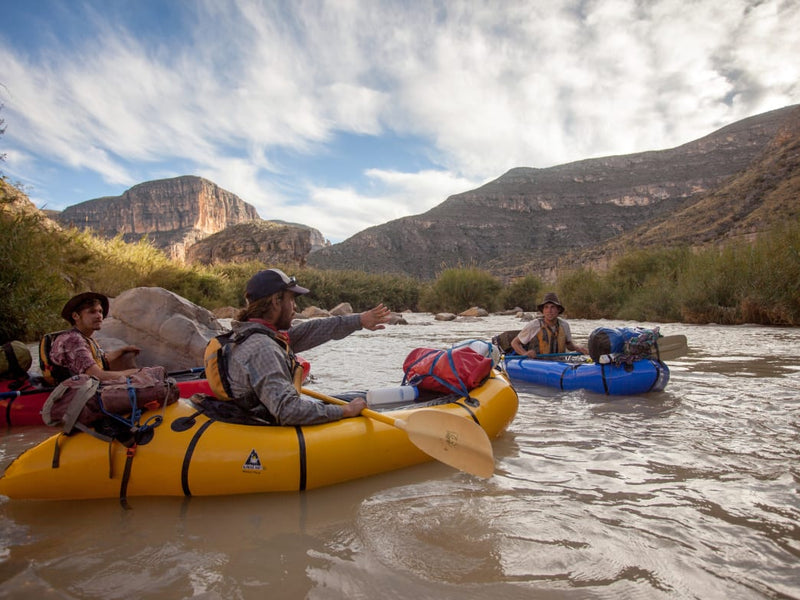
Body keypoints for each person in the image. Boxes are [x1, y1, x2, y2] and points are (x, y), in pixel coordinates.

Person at [223, 268, 392, 426]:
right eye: (292, 300)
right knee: (358, 402)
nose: (295, 307)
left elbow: (313, 330)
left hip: (258, 414)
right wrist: (345, 411)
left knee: (361, 396)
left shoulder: (248, 334)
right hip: (269, 426)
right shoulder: (263, 348)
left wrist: (359, 320)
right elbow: (287, 411)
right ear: (276, 301)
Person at [50, 292, 142, 382]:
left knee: (127, 356)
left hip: (83, 388)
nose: (99, 316)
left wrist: (123, 350)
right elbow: (97, 375)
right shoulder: (72, 340)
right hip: (73, 393)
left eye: (100, 311)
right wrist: (135, 372)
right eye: (92, 312)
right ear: (75, 316)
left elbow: (101, 360)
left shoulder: (84, 338)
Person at [510, 292, 588, 358]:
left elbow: (568, 345)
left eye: (552, 307)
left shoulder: (564, 325)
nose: (549, 311)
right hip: (538, 364)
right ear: (543, 311)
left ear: (558, 310)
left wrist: (577, 348)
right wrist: (525, 353)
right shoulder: (534, 325)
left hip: (559, 363)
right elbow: (515, 343)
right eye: (546, 307)